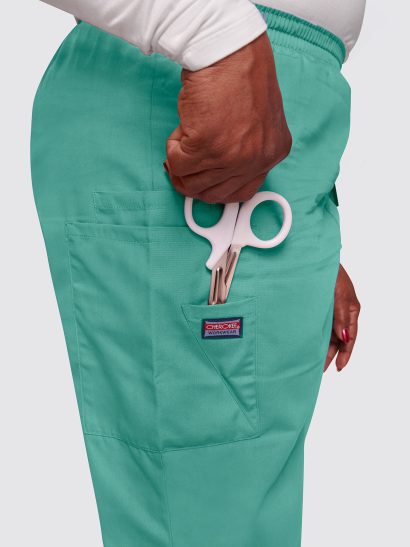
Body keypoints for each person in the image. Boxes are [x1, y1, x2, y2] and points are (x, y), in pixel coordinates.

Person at [31, 1, 364, 545]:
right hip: (192, 80)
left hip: (269, 118)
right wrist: (212, 28)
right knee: (207, 518)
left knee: (243, 517)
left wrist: (307, 205)